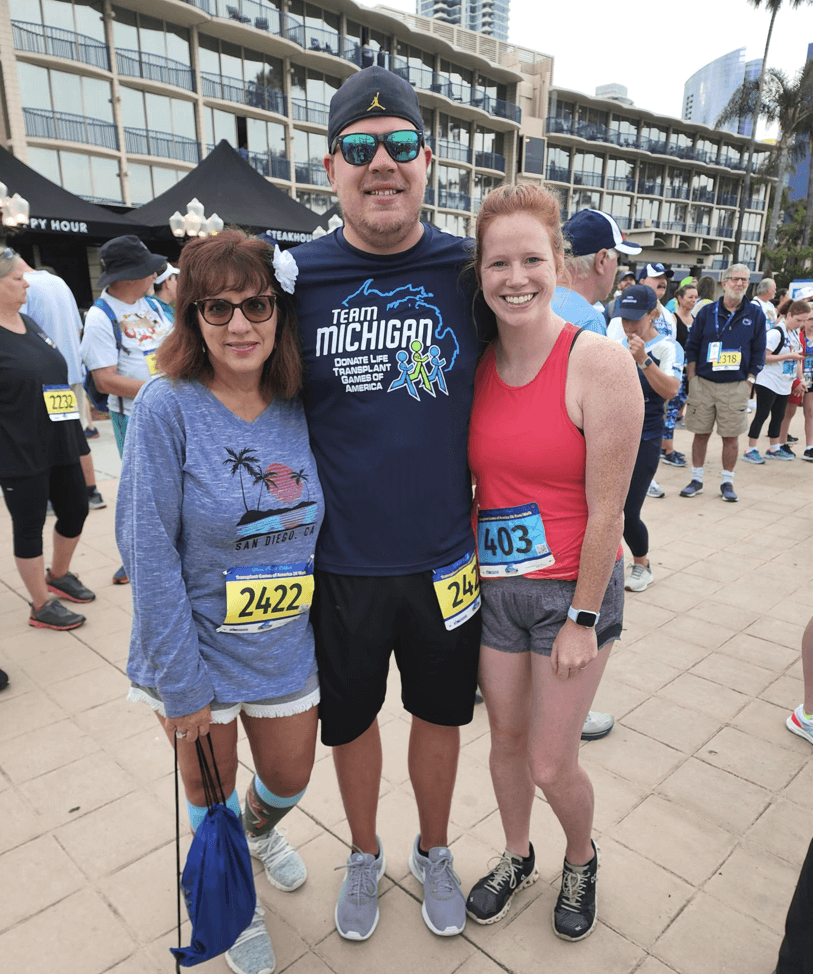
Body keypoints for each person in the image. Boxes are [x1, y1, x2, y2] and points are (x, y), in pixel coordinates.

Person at [289, 65, 482, 941]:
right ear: (329, 167)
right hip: (340, 568)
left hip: (447, 558)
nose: (381, 164)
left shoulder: (469, 272)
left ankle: (433, 850)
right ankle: (364, 853)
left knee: (440, 716)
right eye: (359, 148)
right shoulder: (291, 281)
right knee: (352, 722)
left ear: (427, 160)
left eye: (399, 145)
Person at [116, 231, 323, 974]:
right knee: (210, 787)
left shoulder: (301, 404)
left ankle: (258, 833)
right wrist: (181, 683)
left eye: (257, 304)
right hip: (193, 647)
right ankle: (232, 903)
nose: (240, 325)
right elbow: (147, 551)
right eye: (218, 308)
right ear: (192, 318)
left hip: (284, 646)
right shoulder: (164, 407)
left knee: (290, 777)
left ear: (279, 310)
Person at [465, 184, 643, 941]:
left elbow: (610, 509)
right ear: (479, 271)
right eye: (498, 262)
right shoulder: (471, 366)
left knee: (548, 762)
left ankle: (580, 857)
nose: (515, 277)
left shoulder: (596, 363)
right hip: (495, 591)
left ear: (558, 264)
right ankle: (515, 854)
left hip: (571, 594)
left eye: (531, 259)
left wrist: (580, 617)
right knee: (504, 745)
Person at [0, 249, 95, 631]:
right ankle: (41, 603)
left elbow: (54, 381)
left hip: (60, 439)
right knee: (29, 524)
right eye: (17, 279)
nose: (26, 283)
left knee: (76, 509)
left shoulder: (28, 322)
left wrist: (77, 436)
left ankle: (59, 574)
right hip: (17, 449)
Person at [80, 234, 172, 584]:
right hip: (133, 417)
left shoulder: (152, 307)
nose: (154, 276)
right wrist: (160, 390)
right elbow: (104, 380)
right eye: (149, 271)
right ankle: (135, 558)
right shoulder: (101, 318)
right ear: (131, 276)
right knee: (142, 493)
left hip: (168, 411)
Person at [611, 286, 682, 592]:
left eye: (635, 319)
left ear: (653, 314)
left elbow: (671, 390)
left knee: (628, 511)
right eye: (624, 318)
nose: (628, 326)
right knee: (599, 508)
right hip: (610, 436)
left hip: (646, 439)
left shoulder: (667, 347)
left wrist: (643, 360)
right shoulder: (614, 339)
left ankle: (642, 564)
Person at [680, 263, 767, 503]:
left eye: (745, 280)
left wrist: (749, 382)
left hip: (736, 385)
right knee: (701, 433)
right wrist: (692, 378)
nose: (740, 284)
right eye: (736, 279)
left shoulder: (755, 314)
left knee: (731, 437)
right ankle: (696, 479)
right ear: (724, 282)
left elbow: (759, 351)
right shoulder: (707, 313)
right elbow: (692, 347)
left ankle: (727, 481)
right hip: (704, 383)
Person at [22, 265, 106, 510]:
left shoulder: (23, 285)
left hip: (44, 376)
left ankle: (52, 496)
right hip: (69, 372)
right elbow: (78, 328)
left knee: (46, 435)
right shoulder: (60, 284)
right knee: (75, 433)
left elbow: (19, 330)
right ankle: (92, 492)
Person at [552, 208, 641, 336]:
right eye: (618, 258)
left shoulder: (535, 301)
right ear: (601, 260)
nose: (616, 267)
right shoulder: (589, 321)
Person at [743, 300, 807, 464]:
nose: (801, 324)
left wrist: (799, 380)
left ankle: (774, 447)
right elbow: (763, 357)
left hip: (784, 383)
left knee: (779, 416)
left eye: (804, 321)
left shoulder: (794, 334)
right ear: (790, 315)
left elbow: (798, 359)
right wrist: (788, 356)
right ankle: (750, 448)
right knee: (762, 414)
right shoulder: (776, 333)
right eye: (799, 320)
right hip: (768, 381)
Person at [660, 281, 697, 467]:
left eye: (695, 297)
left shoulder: (696, 320)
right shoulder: (673, 320)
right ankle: (667, 449)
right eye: (689, 297)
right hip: (675, 372)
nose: (693, 301)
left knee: (677, 412)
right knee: (671, 412)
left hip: (690, 372)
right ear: (679, 298)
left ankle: (666, 446)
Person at [777, 303, 813, 460]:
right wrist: (797, 380)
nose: (811, 322)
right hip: (795, 379)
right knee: (789, 411)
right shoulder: (796, 335)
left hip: (811, 380)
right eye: (810, 319)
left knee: (810, 412)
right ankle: (781, 443)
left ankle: (809, 447)